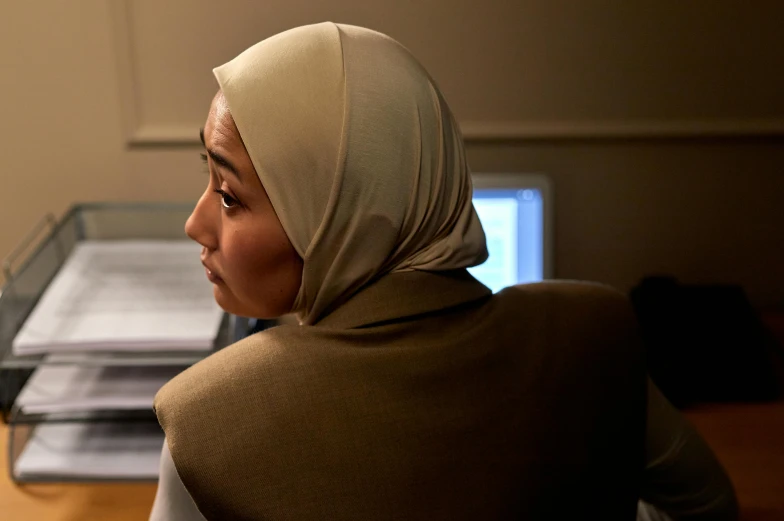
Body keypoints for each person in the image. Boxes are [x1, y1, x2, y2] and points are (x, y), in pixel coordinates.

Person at [149, 22, 738, 521]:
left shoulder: (207, 426)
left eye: (228, 195)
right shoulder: (596, 332)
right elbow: (707, 508)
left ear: (334, 214)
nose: (196, 224)